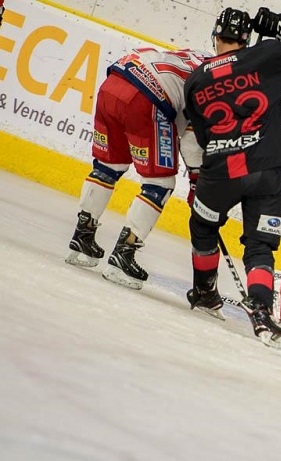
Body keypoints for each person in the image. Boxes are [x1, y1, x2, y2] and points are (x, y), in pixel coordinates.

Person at [182, 7, 281, 347]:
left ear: (216, 37)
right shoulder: (269, 54)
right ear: (246, 38)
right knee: (260, 245)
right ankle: (260, 307)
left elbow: (200, 138)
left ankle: (204, 291)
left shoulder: (196, 79)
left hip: (221, 174)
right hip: (268, 172)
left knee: (203, 226)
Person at [65, 46, 209, 290]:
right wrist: (197, 181)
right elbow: (191, 144)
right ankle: (123, 255)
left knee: (109, 165)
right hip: (147, 99)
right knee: (160, 184)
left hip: (114, 83)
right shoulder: (214, 83)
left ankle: (82, 237)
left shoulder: (196, 57)